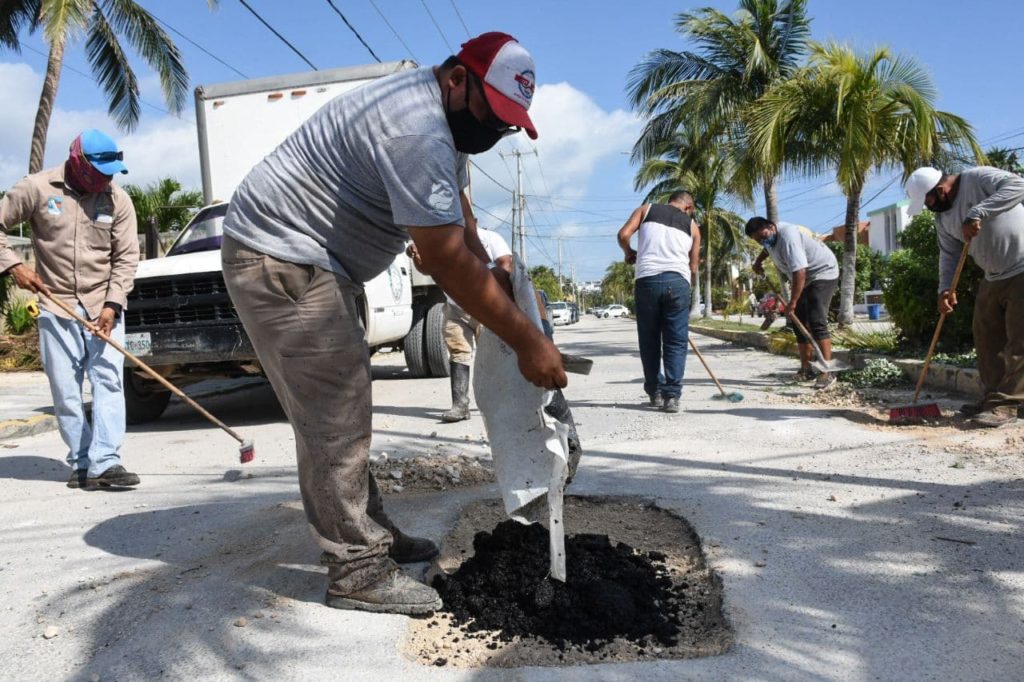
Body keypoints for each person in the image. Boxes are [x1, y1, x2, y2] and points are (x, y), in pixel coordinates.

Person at [219, 32, 565, 616]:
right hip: (284, 258)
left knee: (343, 410)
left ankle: (369, 536)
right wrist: (527, 341)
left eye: (509, 125)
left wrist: (493, 270)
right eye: (493, 115)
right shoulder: (415, 127)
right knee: (335, 416)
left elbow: (460, 221)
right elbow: (444, 260)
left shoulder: (443, 121)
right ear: (457, 79)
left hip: (322, 264)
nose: (494, 132)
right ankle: (355, 569)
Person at [0, 130, 140, 489]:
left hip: (103, 304)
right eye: (101, 172)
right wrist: (14, 266)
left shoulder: (117, 199)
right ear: (77, 162)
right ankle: (81, 463)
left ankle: (106, 462)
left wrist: (112, 305)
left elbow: (126, 259)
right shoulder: (36, 188)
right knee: (65, 389)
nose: (107, 180)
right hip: (56, 303)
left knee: (109, 380)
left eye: (112, 172)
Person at [905, 166, 1024, 428]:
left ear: (941, 189)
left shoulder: (977, 178)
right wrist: (944, 289)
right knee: (986, 339)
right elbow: (948, 253)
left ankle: (1007, 404)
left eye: (929, 200)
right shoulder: (942, 218)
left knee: (1020, 340)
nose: (928, 207)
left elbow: (1018, 186)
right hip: (993, 275)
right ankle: (993, 398)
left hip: (1022, 266)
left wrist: (979, 211)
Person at [409, 228, 513, 423]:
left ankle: (501, 403)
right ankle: (460, 406)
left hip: (487, 306)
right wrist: (417, 256)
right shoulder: (444, 240)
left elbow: (506, 264)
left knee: (492, 355)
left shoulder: (490, 238)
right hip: (456, 307)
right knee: (458, 351)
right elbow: (427, 269)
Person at [617, 190, 702, 413]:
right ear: (688, 208)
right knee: (676, 341)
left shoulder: (647, 210)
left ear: (670, 201)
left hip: (647, 281)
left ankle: (655, 392)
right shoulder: (693, 227)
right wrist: (684, 290)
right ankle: (671, 397)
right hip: (678, 283)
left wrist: (629, 253)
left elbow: (623, 234)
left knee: (650, 341)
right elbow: (693, 267)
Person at [747, 217, 839, 389]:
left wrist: (793, 302)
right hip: (805, 278)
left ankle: (828, 372)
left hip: (822, 272)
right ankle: (806, 370)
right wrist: (758, 261)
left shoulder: (788, 236)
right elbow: (768, 248)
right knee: (799, 323)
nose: (763, 242)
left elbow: (800, 271)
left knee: (816, 320)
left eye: (763, 236)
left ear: (771, 226)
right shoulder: (768, 239)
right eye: (758, 240)